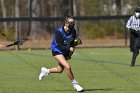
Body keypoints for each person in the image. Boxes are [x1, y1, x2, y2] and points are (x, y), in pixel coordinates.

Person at [38, 15, 84, 92]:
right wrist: (69, 48)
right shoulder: (58, 32)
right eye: (70, 23)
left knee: (59, 70)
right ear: (65, 22)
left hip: (65, 51)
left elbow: (72, 42)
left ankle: (46, 71)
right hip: (57, 50)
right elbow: (59, 45)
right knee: (68, 67)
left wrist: (75, 43)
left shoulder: (73, 31)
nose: (72, 24)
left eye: (73, 23)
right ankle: (75, 84)